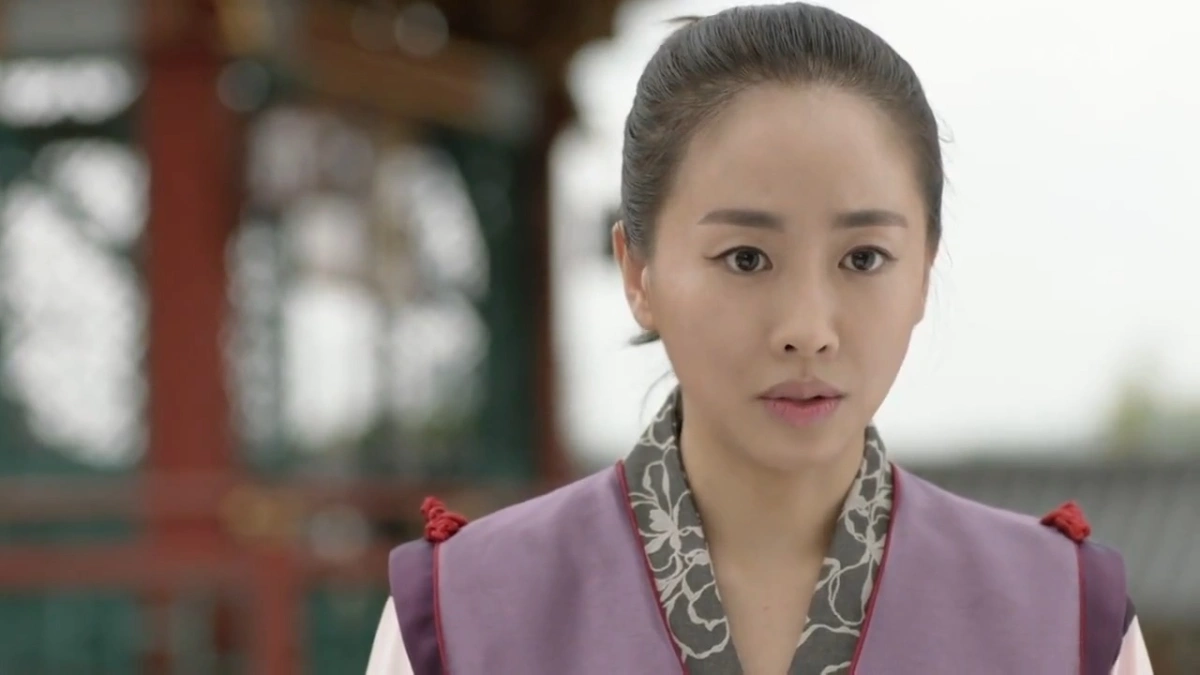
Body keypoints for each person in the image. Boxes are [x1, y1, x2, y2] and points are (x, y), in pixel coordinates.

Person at [366, 4, 1154, 673]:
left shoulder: (1065, 618)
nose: (807, 329)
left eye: (864, 258)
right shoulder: (460, 616)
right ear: (638, 272)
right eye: (746, 258)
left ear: (923, 273)